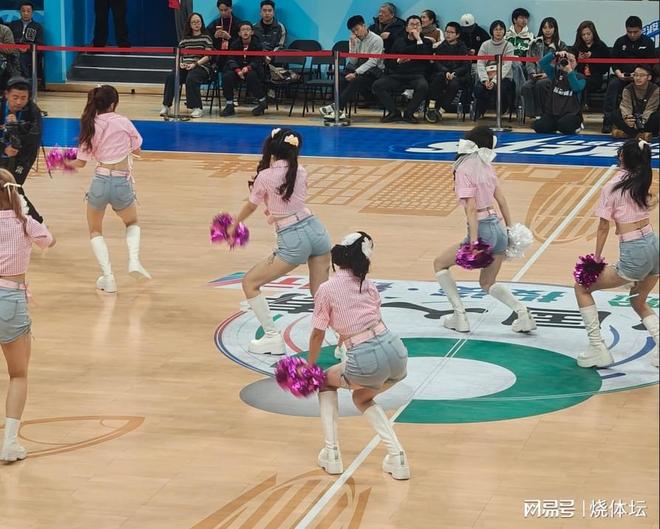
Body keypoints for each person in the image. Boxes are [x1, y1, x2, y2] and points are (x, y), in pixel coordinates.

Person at [308, 232, 410, 480]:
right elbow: (369, 320)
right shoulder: (369, 284)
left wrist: (309, 367)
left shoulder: (327, 289)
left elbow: (317, 335)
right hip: (396, 352)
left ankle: (332, 454)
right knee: (362, 397)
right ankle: (397, 457)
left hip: (366, 359)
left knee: (324, 382)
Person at [227, 128, 331, 356]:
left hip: (292, 239)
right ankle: (345, 344)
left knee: (250, 283)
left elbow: (251, 205)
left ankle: (272, 337)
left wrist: (235, 223)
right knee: (322, 296)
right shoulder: (301, 171)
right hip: (317, 231)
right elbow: (289, 202)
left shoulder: (265, 176)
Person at [433, 126, 536, 335]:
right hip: (498, 227)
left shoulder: (463, 168)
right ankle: (523, 313)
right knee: (488, 283)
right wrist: (510, 230)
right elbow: (502, 200)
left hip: (482, 229)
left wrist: (473, 242)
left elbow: (471, 208)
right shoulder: (486, 164)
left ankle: (459, 316)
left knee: (440, 263)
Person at [574, 139, 658, 368]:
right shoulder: (642, 179)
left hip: (635, 251)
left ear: (623, 156)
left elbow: (603, 227)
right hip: (654, 246)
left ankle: (597, 347)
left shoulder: (612, 186)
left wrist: (596, 260)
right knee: (638, 300)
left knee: (581, 287)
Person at [65, 85, 151, 294]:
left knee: (95, 230)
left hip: (100, 182)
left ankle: (108, 278)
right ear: (113, 104)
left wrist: (61, 162)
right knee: (132, 223)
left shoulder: (89, 125)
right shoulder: (123, 121)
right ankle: (134, 260)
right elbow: (138, 150)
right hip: (122, 183)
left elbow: (80, 162)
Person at [0, 168, 55, 461]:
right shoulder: (24, 223)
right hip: (10, 299)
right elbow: (49, 240)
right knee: (18, 374)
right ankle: (9, 443)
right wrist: (23, 211)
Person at [319, 15, 384, 121]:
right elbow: (353, 61)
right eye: (353, 31)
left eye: (357, 29)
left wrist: (356, 73)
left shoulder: (377, 39)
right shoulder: (354, 39)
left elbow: (373, 61)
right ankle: (340, 111)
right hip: (358, 67)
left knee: (356, 80)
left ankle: (337, 107)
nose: (356, 33)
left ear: (364, 26)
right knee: (340, 79)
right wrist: (353, 46)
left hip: (374, 71)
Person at [372, 15, 433, 124]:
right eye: (412, 25)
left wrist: (418, 39)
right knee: (377, 85)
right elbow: (389, 61)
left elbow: (425, 57)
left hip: (416, 75)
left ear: (421, 28)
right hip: (398, 75)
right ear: (406, 28)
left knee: (423, 86)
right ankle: (394, 113)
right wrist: (398, 60)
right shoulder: (399, 41)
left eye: (417, 25)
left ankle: (409, 113)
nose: (415, 27)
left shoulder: (426, 42)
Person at [602, 16, 656, 134]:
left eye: (635, 32)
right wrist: (619, 74)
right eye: (629, 32)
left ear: (641, 30)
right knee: (613, 85)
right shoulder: (620, 41)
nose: (632, 34)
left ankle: (645, 122)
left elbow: (651, 64)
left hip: (642, 77)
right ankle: (607, 122)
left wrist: (638, 75)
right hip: (622, 76)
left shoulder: (648, 42)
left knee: (654, 85)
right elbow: (613, 62)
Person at [0, 77, 43, 223]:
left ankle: (35, 222)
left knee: (12, 186)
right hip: (3, 150)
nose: (19, 102)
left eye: (23, 98)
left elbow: (34, 138)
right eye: (15, 97)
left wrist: (17, 128)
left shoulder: (33, 112)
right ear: (6, 95)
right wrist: (4, 148)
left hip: (24, 155)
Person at [160, 12, 213, 118]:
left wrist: (195, 64)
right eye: (194, 22)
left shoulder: (206, 38)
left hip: (200, 66)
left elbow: (208, 56)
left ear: (202, 23)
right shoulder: (184, 39)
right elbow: (179, 55)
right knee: (171, 77)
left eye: (198, 22)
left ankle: (197, 108)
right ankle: (166, 106)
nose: (196, 24)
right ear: (190, 24)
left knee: (191, 78)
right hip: (185, 66)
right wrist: (181, 63)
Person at [532, 50, 585, 135]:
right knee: (538, 126)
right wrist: (555, 54)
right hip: (554, 114)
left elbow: (576, 88)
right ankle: (555, 126)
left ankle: (578, 125)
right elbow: (542, 63)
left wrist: (569, 71)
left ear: (576, 63)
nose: (568, 63)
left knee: (564, 126)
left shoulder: (580, 77)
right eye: (566, 61)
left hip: (572, 114)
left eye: (571, 61)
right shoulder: (556, 74)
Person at [221, 21, 268, 117]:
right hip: (237, 70)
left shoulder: (257, 44)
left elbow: (258, 60)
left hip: (253, 69)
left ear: (252, 32)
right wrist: (238, 70)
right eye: (243, 30)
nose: (245, 32)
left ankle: (262, 102)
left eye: (248, 29)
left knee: (252, 76)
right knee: (227, 76)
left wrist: (248, 68)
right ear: (239, 33)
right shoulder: (234, 44)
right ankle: (229, 105)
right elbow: (231, 59)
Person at [425, 21, 469, 123]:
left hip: (457, 75)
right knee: (438, 77)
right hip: (442, 73)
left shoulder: (462, 47)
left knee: (454, 84)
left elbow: (465, 66)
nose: (448, 34)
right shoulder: (441, 46)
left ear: (457, 35)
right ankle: (431, 107)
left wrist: (455, 73)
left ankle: (441, 111)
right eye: (447, 32)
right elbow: (437, 63)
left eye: (451, 32)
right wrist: (445, 71)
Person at [522, 17, 566, 119]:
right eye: (545, 27)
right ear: (541, 29)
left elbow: (562, 65)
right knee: (526, 86)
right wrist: (533, 73)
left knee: (541, 84)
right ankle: (532, 114)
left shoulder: (561, 45)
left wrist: (547, 74)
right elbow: (529, 61)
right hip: (537, 75)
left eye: (550, 27)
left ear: (555, 29)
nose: (547, 30)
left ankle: (542, 114)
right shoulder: (534, 43)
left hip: (552, 76)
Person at [474, 21, 516, 119]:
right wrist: (485, 80)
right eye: (496, 29)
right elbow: (480, 63)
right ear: (492, 31)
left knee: (501, 88)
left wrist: (494, 81)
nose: (498, 32)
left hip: (504, 77)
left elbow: (506, 66)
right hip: (487, 76)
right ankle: (481, 109)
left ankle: (502, 110)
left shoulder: (508, 45)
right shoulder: (485, 45)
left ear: (504, 31)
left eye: (501, 29)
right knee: (478, 88)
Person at [612, 65, 658, 140]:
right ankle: (640, 135)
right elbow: (626, 107)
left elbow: (650, 109)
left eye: (642, 75)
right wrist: (627, 118)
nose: (638, 78)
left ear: (649, 77)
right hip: (632, 118)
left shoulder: (655, 90)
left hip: (646, 119)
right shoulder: (628, 89)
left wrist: (641, 122)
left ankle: (628, 134)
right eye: (636, 75)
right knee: (615, 114)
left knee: (657, 116)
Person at [570, 21, 610, 102]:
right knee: (574, 81)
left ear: (593, 33)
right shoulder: (577, 47)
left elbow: (605, 68)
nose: (586, 37)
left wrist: (593, 56)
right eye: (583, 35)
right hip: (579, 75)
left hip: (595, 78)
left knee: (580, 83)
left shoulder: (601, 46)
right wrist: (578, 60)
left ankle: (579, 105)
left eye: (588, 34)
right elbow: (571, 66)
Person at [7, 2, 44, 80]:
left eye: (28, 11)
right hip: (13, 51)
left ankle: (24, 82)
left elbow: (40, 44)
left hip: (29, 53)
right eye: (23, 11)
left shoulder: (37, 27)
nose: (25, 13)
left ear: (32, 13)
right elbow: (8, 39)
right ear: (20, 12)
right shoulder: (13, 24)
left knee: (21, 58)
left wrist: (27, 49)